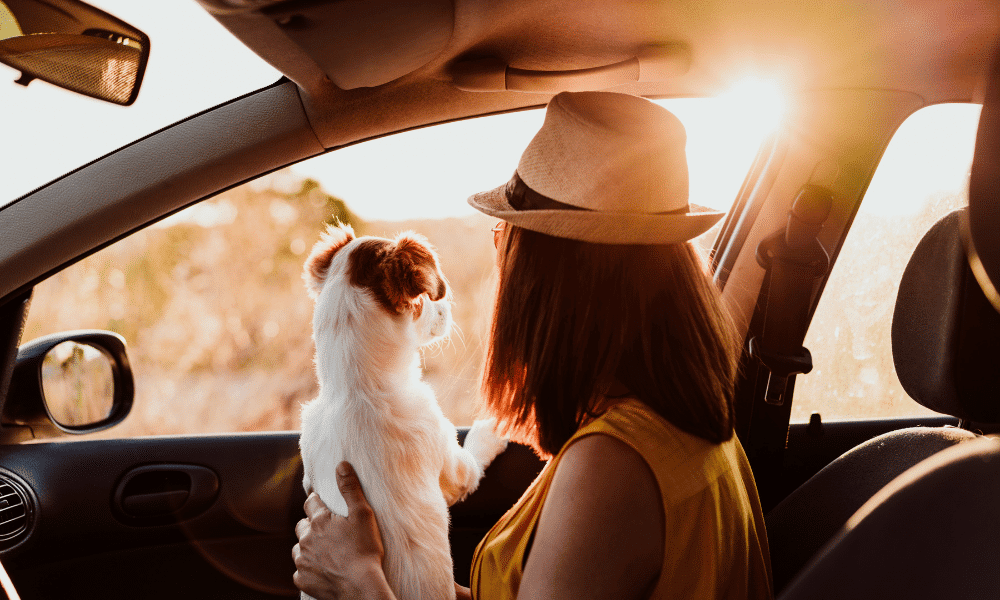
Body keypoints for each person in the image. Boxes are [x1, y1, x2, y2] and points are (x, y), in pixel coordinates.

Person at [293, 91, 773, 600]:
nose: (499, 254)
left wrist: (360, 582)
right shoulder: (683, 433)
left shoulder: (611, 468)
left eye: (504, 235)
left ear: (547, 278)